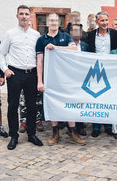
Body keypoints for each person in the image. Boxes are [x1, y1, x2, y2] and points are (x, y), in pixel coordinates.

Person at [0, 5, 43, 150]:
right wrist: (5, 69)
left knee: (31, 106)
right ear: (17, 16)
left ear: (30, 16)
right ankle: (14, 136)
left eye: (26, 14)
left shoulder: (36, 35)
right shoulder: (10, 34)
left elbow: (39, 56)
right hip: (15, 73)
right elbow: (0, 54)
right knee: (12, 106)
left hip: (31, 74)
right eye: (21, 14)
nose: (24, 16)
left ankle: (31, 134)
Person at [36, 13, 85, 145]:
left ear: (59, 23)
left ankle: (72, 132)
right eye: (51, 20)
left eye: (56, 20)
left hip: (66, 77)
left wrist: (55, 47)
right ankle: (55, 133)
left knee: (69, 103)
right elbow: (39, 62)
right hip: (50, 78)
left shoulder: (65, 36)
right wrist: (40, 81)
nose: (53, 22)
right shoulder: (41, 40)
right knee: (53, 104)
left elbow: (74, 49)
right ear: (47, 23)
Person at [86, 11, 117, 137]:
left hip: (111, 70)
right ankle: (96, 126)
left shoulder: (115, 34)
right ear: (97, 22)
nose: (105, 23)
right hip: (95, 70)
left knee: (109, 97)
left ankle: (109, 125)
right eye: (102, 21)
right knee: (96, 97)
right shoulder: (90, 35)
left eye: (106, 20)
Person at [69, 23, 89, 136]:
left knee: (81, 101)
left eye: (78, 31)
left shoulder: (86, 46)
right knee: (71, 102)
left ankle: (80, 125)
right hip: (70, 77)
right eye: (74, 30)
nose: (76, 33)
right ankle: (71, 127)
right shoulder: (65, 45)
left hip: (82, 77)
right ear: (70, 32)